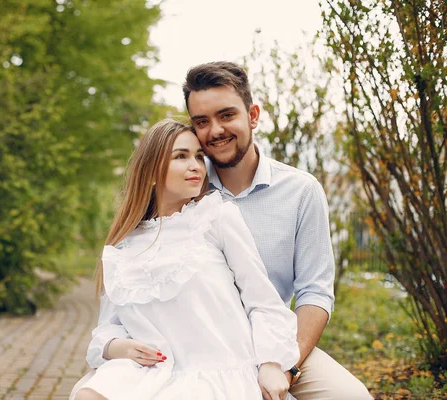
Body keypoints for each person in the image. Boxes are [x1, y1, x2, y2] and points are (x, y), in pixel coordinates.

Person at [71, 119, 300, 400]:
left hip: (219, 373)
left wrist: (272, 363)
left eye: (199, 156)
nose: (196, 166)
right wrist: (116, 346)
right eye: (181, 156)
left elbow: (262, 300)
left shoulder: (217, 217)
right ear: (152, 171)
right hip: (153, 372)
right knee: (87, 395)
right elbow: (108, 326)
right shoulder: (124, 246)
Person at [182, 61, 371, 399]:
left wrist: (288, 364)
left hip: (275, 341)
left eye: (227, 115)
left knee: (350, 396)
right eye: (202, 122)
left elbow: (315, 291)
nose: (214, 131)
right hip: (200, 342)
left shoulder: (301, 191)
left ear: (252, 115)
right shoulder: (184, 188)